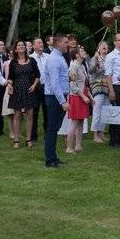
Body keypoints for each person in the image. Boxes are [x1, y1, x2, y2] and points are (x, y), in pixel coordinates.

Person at [5, 39, 41, 149]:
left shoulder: (32, 60)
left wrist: (34, 86)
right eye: (19, 45)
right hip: (17, 91)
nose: (21, 46)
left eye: (22, 45)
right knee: (17, 116)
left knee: (29, 116)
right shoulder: (13, 62)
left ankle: (28, 139)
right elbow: (10, 78)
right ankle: (16, 140)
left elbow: (38, 76)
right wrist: (9, 85)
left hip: (30, 90)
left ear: (25, 48)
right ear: (15, 49)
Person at [42, 34, 70, 168]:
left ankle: (53, 157)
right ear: (58, 43)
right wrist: (62, 101)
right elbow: (54, 83)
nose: (68, 44)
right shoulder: (54, 59)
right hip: (55, 98)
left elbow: (60, 78)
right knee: (52, 129)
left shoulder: (59, 57)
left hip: (58, 96)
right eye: (65, 42)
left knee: (55, 128)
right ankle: (50, 160)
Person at [66, 46, 92, 153]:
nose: (85, 52)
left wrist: (90, 97)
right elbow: (72, 85)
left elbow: (84, 84)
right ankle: (69, 147)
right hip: (76, 97)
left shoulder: (81, 66)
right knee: (75, 122)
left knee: (81, 121)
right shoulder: (73, 66)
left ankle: (78, 145)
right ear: (77, 55)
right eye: (82, 51)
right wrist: (83, 96)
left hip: (83, 96)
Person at [88, 41, 110, 143]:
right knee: (97, 111)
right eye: (102, 46)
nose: (105, 47)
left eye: (106, 46)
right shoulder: (94, 58)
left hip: (107, 87)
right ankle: (95, 135)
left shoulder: (109, 58)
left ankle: (101, 132)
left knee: (105, 111)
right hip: (97, 86)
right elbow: (91, 71)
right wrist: (96, 59)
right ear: (98, 49)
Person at [29, 37, 49, 143]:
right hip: (36, 87)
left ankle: (48, 133)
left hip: (47, 87)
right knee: (34, 112)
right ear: (33, 46)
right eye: (38, 43)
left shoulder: (48, 57)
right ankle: (33, 135)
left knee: (47, 111)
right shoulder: (30, 58)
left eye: (41, 42)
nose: (41, 44)